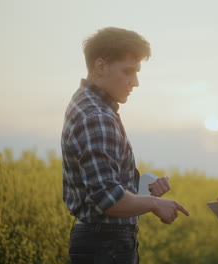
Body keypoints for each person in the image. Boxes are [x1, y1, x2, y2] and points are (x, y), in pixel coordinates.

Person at [62, 27, 190, 264]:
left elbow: (102, 191)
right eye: (128, 72)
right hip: (106, 246)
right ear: (101, 66)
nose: (136, 82)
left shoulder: (86, 105)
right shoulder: (97, 116)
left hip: (99, 241)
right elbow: (108, 199)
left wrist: (143, 191)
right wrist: (154, 203)